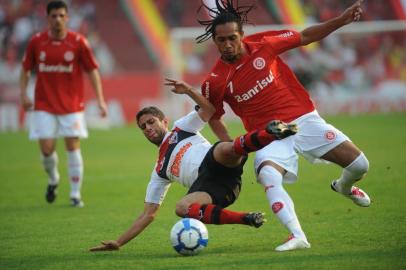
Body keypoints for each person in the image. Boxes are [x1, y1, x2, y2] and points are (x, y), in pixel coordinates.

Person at [195, 0, 371, 251]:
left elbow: (306, 35)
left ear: (241, 35)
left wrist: (341, 20)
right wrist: (232, 147)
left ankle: (343, 186)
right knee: (267, 174)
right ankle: (297, 235)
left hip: (304, 120)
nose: (227, 45)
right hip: (270, 135)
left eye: (232, 38)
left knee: (360, 165)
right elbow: (213, 116)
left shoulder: (264, 45)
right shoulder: (215, 80)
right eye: (221, 40)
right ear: (214, 41)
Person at [89, 78, 297, 251]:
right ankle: (247, 218)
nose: (147, 128)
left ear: (164, 121)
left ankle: (271, 133)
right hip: (215, 188)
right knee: (181, 207)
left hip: (215, 160)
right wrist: (119, 242)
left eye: (151, 121)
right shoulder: (160, 170)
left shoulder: (181, 129)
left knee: (223, 149)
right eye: (143, 127)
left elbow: (209, 108)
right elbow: (148, 214)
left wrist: (188, 90)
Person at [19, 0, 107, 208]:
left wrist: (100, 100)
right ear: (47, 18)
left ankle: (75, 194)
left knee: (72, 146)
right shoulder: (36, 42)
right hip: (44, 104)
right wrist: (23, 94)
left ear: (67, 18)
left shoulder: (78, 42)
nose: (57, 19)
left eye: (61, 15)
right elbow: (25, 70)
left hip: (72, 105)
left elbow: (92, 71)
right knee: (47, 149)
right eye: (53, 16)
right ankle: (53, 179)